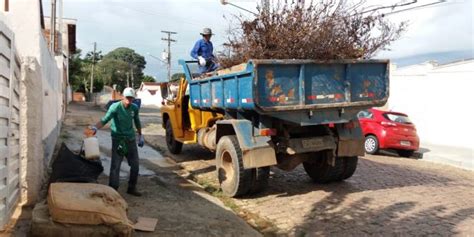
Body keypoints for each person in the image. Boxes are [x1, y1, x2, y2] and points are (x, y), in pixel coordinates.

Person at [85, 87, 145, 196]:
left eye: (131, 98)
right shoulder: (115, 107)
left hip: (130, 140)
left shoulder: (134, 108)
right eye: (127, 97)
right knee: (115, 166)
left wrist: (140, 135)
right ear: (122, 97)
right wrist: (95, 128)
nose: (129, 100)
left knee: (135, 165)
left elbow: (137, 121)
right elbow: (105, 119)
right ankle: (113, 190)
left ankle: (131, 188)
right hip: (118, 140)